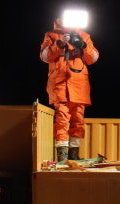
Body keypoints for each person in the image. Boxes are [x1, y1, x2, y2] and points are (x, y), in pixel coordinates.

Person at [40, 18, 99, 162]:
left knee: (78, 121)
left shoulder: (84, 36)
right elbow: (45, 56)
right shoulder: (51, 35)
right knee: (61, 120)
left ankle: (74, 155)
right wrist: (59, 44)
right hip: (59, 85)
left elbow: (93, 58)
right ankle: (62, 157)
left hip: (79, 85)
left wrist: (83, 45)